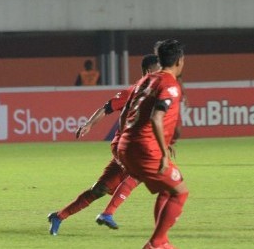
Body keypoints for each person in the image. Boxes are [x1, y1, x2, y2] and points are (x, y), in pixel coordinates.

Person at [47, 54, 160, 236]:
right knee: (141, 172)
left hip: (136, 148)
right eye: (159, 70)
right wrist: (89, 125)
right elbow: (107, 108)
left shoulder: (156, 94)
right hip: (125, 146)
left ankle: (59, 216)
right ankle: (107, 214)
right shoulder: (133, 92)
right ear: (149, 71)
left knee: (100, 189)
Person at [117, 39, 188, 249]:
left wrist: (125, 140)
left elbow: (125, 112)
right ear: (179, 61)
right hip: (145, 148)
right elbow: (157, 118)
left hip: (126, 145)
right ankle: (156, 243)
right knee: (181, 192)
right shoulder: (170, 86)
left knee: (168, 189)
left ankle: (162, 241)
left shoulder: (146, 80)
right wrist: (164, 152)